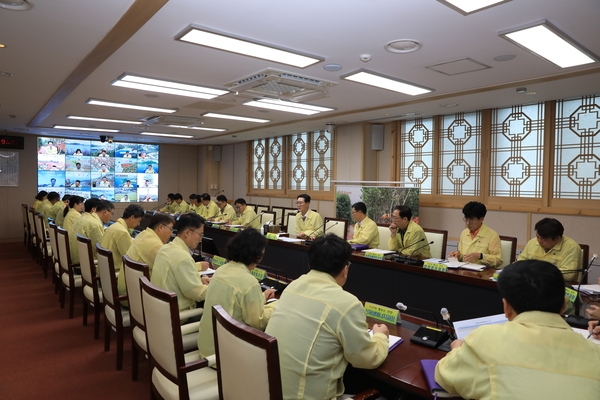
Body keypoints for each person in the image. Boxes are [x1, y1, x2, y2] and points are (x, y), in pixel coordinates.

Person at [435, 260, 600, 399]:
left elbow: (445, 377)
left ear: (506, 307)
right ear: (563, 306)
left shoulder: (486, 340)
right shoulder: (595, 355)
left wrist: (456, 350)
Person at [266, 234, 389, 399]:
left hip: (271, 391)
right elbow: (366, 359)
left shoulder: (292, 286)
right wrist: (381, 337)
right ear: (345, 268)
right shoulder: (347, 303)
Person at [198, 229, 277, 358]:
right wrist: (275, 307)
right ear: (257, 255)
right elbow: (257, 322)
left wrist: (262, 297)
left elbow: (236, 303)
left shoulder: (221, 271)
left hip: (206, 348)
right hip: (225, 357)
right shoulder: (249, 282)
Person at [151, 214, 210, 317]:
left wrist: (198, 279)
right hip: (177, 316)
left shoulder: (165, 248)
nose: (200, 239)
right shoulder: (183, 257)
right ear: (187, 233)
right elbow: (198, 293)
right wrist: (217, 286)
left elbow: (176, 278)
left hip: (159, 311)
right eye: (200, 235)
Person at [119, 213, 176, 300]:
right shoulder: (154, 245)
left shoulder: (144, 234)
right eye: (170, 229)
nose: (171, 234)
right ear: (160, 227)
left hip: (128, 291)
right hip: (134, 297)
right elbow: (173, 270)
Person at [448, 201, 502, 268]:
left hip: (482, 274)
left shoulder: (492, 235)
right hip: (464, 270)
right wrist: (457, 255)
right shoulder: (464, 233)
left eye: (471, 219)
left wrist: (480, 256)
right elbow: (462, 256)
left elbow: (498, 260)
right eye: (466, 219)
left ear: (481, 219)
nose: (468, 223)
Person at [100, 204, 144, 273]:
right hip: (114, 272)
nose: (138, 224)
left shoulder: (115, 226)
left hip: (105, 270)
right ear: (132, 217)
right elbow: (131, 258)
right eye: (138, 221)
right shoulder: (122, 232)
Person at [68, 199, 114, 264]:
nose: (111, 216)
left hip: (78, 262)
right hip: (86, 266)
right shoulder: (94, 224)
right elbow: (101, 250)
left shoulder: (85, 217)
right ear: (105, 212)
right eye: (112, 213)